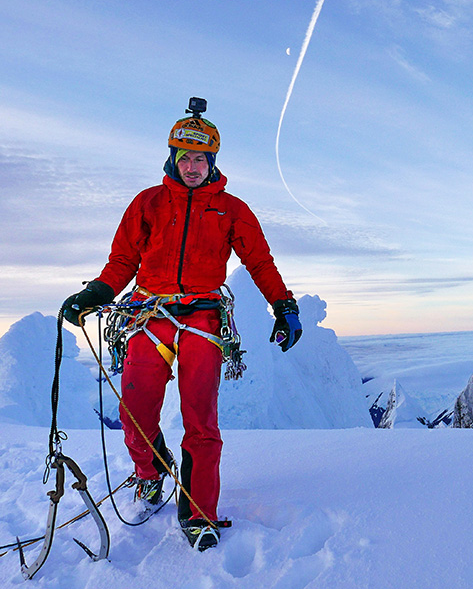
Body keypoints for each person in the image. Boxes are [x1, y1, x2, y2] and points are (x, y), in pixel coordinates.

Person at [62, 98, 303, 551]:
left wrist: (283, 305)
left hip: (203, 320)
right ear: (172, 158)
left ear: (212, 162)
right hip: (149, 316)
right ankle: (151, 472)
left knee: (201, 419)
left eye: (201, 159)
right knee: (133, 411)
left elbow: (259, 262)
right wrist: (97, 292)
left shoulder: (231, 209)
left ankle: (199, 513)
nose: (192, 167)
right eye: (185, 157)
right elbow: (122, 261)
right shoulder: (148, 203)